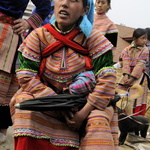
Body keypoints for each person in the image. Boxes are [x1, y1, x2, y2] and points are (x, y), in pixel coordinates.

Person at [10, 0, 118, 149]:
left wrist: (82, 113)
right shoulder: (38, 36)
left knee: (98, 119)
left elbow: (108, 79)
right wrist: (58, 104)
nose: (64, 4)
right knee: (25, 104)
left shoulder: (94, 39)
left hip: (84, 104)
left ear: (85, 10)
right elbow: (26, 75)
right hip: (45, 99)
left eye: (73, 0)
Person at [0, 0, 51, 144]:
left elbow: (44, 6)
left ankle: (2, 128)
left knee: (4, 84)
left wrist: (28, 23)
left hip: (7, 33)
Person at [118, 28, 149, 116]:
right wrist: (125, 76)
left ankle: (134, 118)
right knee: (122, 93)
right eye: (142, 38)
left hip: (139, 76)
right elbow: (125, 63)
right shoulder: (127, 49)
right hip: (127, 75)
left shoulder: (145, 50)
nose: (145, 41)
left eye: (146, 38)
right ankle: (122, 115)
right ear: (135, 39)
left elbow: (140, 65)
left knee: (136, 96)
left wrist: (131, 78)